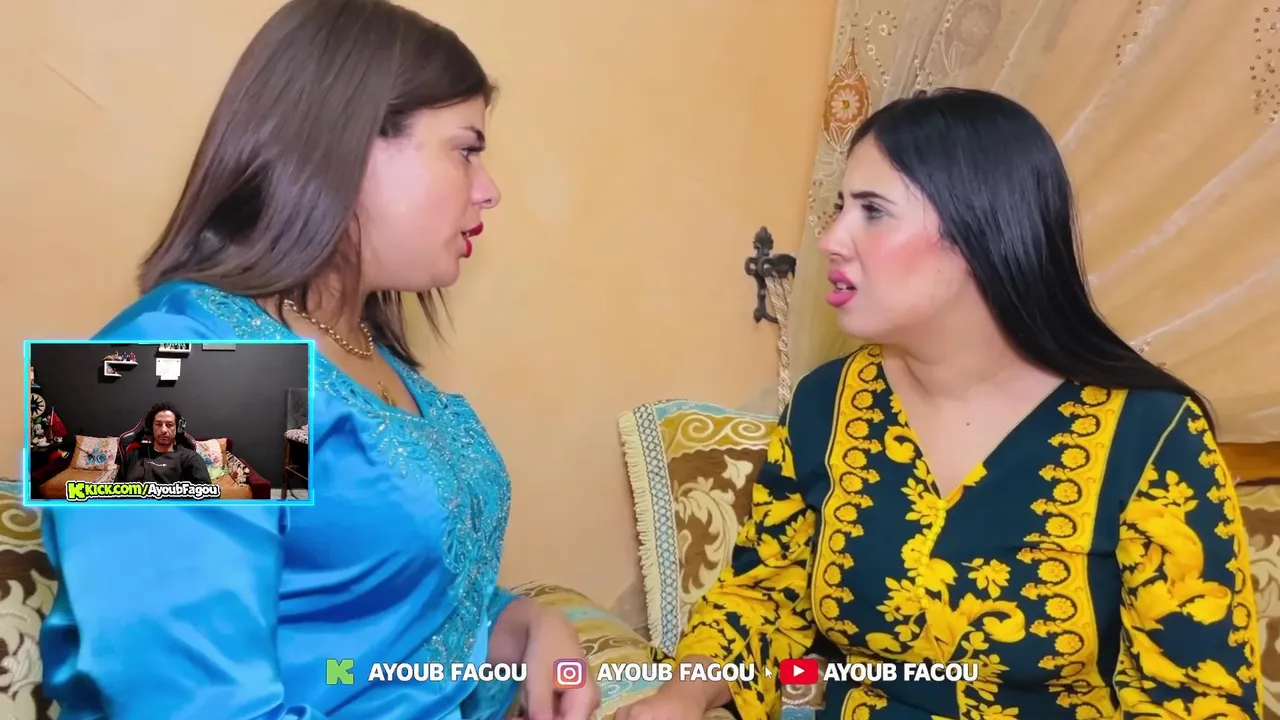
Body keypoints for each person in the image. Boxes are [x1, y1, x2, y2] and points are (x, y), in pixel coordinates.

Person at [617, 88, 1262, 719]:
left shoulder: (1149, 432)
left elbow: (1197, 697)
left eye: (873, 210)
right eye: (839, 208)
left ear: (980, 230)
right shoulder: (826, 403)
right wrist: (681, 698)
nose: (831, 239)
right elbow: (762, 601)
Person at [38, 1, 599, 718]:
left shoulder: (376, 360)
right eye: (465, 149)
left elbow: (387, 624)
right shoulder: (168, 363)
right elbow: (183, 702)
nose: (488, 188)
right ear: (348, 146)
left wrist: (522, 627)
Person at [119, 401, 212, 485]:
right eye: (158, 424)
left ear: (178, 429)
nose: (163, 430)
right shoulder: (133, 456)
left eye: (169, 425)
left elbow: (206, 494)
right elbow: (116, 491)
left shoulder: (191, 458)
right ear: (150, 428)